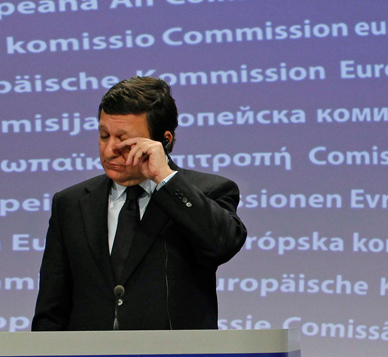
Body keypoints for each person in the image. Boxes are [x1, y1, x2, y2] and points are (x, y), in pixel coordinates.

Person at [32, 76, 247, 330]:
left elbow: (223, 245)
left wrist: (165, 178)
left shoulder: (206, 192)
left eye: (124, 141)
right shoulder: (70, 203)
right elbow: (51, 311)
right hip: (89, 355)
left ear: (164, 141)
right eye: (104, 136)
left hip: (175, 355)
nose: (109, 150)